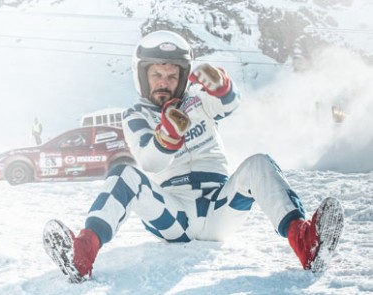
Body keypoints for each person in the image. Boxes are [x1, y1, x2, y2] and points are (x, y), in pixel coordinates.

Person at [44, 30, 345, 282]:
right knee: (124, 173)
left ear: (184, 77)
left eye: (172, 75)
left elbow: (230, 105)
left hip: (218, 208)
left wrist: (222, 86)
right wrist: (168, 136)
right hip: (174, 213)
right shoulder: (135, 115)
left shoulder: (199, 100)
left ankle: (307, 243)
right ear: (143, 77)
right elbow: (150, 161)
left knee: (259, 163)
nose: (164, 81)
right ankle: (81, 254)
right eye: (157, 74)